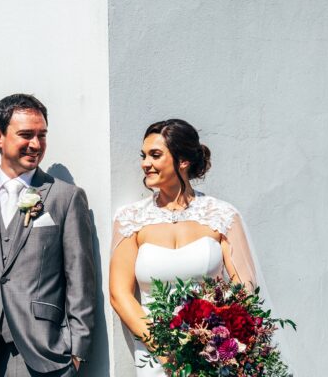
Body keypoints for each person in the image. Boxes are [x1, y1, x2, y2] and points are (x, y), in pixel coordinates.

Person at [0, 94, 95, 377]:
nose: (36, 144)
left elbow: (80, 281)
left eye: (42, 135)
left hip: (49, 356)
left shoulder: (66, 197)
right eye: (26, 135)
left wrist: (77, 351)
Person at [109, 119, 259, 377]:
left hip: (212, 353)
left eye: (155, 155)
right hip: (154, 354)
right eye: (144, 156)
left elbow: (244, 289)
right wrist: (166, 351)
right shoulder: (130, 219)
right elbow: (119, 294)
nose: (146, 163)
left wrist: (211, 342)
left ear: (183, 162)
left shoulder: (222, 216)